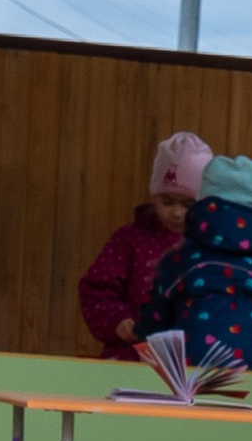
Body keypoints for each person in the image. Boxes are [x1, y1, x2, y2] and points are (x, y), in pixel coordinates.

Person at [136, 151, 252, 373]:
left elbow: (154, 323)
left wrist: (139, 336)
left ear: (201, 205)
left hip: (198, 366)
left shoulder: (180, 260)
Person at [77, 132, 209, 358]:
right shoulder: (130, 239)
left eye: (189, 204)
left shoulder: (210, 247)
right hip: (131, 357)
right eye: (167, 201)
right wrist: (117, 321)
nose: (177, 213)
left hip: (192, 361)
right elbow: (96, 288)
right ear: (154, 197)